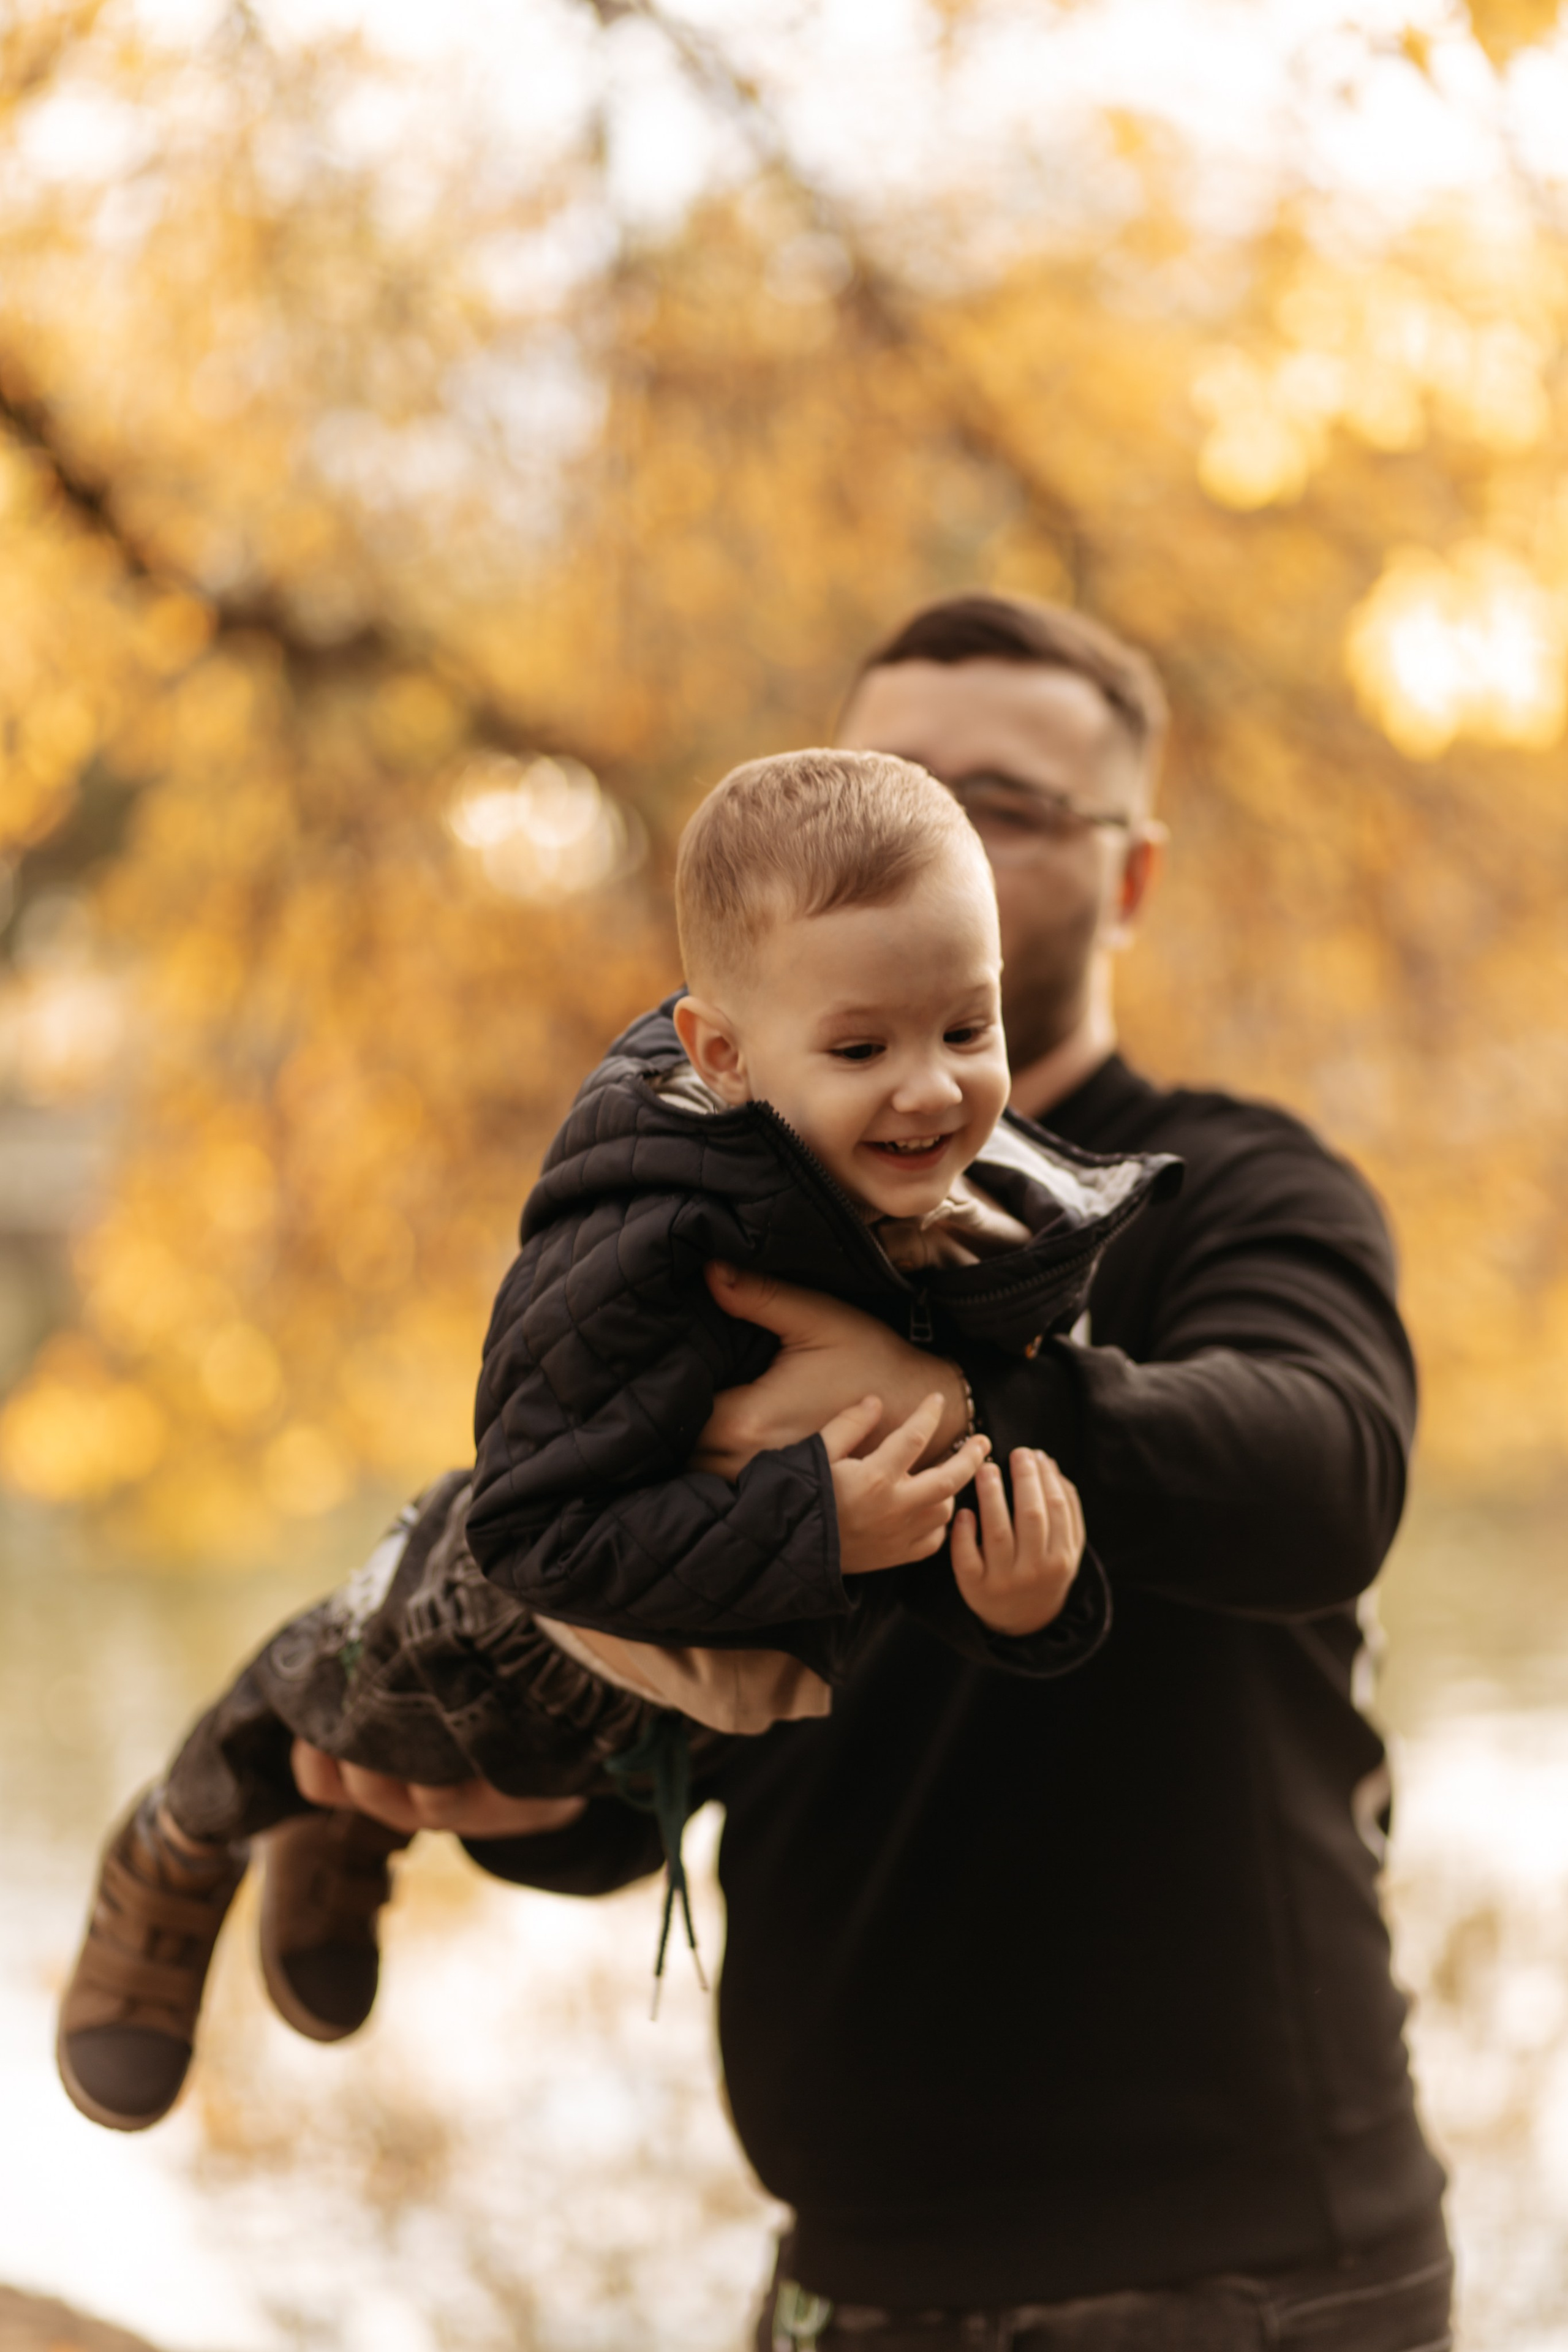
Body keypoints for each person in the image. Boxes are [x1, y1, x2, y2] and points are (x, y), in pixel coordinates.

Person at [314, 595, 1450, 2350]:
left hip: (1241, 2274)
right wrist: (547, 1805)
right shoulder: (697, 1244)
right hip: (857, 2266)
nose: (932, 823)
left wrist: (954, 1400)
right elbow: (700, 1692)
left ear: (1130, 879)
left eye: (1006, 799)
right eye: (891, 777)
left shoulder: (1227, 1188)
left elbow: (1328, 1474)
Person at [57, 744, 1175, 2138]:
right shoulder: (639, 1238)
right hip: (505, 1623)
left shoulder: (959, 1218)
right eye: (858, 1049)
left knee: (442, 1788)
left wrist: (1023, 1604)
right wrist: (817, 1527)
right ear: (722, 1052)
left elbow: (924, 1513)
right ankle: (172, 1849)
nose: (930, 1091)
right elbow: (532, 1531)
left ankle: (350, 1832)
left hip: (677, 1690)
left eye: (966, 1029)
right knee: (306, 1719)